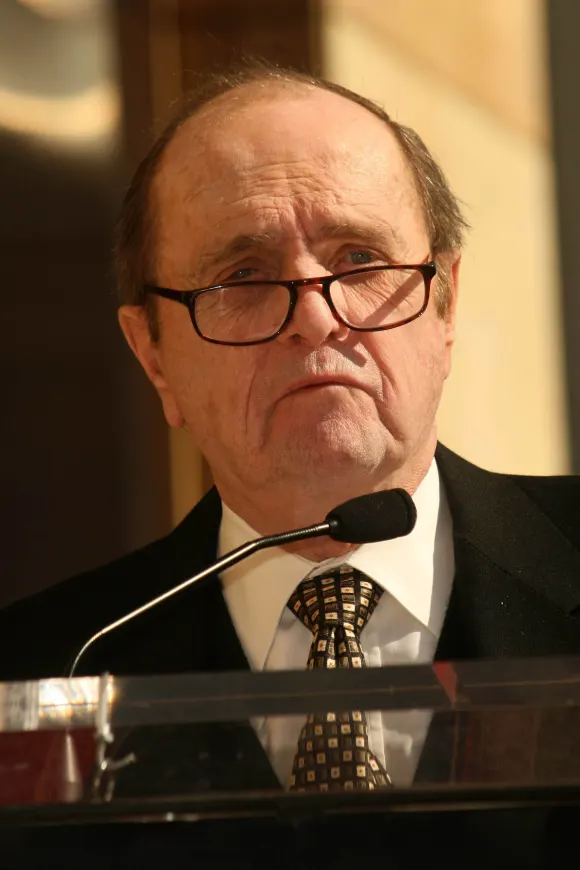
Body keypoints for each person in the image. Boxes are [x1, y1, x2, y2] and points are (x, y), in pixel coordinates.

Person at [1, 64, 580, 799]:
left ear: (447, 306)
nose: (316, 316)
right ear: (153, 356)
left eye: (360, 259)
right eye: (242, 277)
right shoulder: (51, 667)